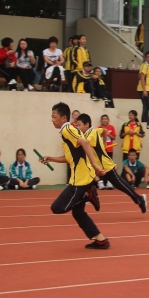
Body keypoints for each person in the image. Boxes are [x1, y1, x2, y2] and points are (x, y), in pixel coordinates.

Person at [40, 102, 109, 249]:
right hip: (82, 177)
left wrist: (96, 166)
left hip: (81, 180)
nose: (52, 119)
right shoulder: (68, 131)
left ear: (63, 117)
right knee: (78, 213)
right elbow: (70, 157)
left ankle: (87, 194)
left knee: (57, 207)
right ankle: (101, 240)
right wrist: (50, 158)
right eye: (51, 117)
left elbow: (84, 142)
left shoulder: (67, 129)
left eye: (54, 116)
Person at [77, 114, 149, 212]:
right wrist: (104, 143)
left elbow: (84, 144)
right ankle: (85, 198)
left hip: (105, 166)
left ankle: (140, 199)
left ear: (87, 125)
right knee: (84, 181)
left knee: (120, 185)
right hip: (96, 166)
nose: (78, 127)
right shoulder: (92, 131)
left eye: (79, 125)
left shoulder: (91, 134)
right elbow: (104, 130)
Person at [97, 114, 117, 190]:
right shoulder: (99, 128)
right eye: (103, 119)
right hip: (101, 150)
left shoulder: (111, 127)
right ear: (101, 121)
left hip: (109, 149)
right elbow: (97, 138)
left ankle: (109, 182)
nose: (104, 120)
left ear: (108, 120)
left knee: (109, 166)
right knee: (101, 166)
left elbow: (114, 137)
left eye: (106, 119)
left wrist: (108, 134)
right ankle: (101, 182)